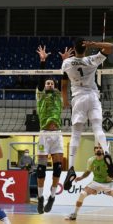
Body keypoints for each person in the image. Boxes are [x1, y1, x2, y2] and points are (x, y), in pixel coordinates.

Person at [60, 38, 113, 190]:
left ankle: (71, 168)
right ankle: (106, 152)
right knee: (98, 128)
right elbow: (111, 46)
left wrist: (65, 101)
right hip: (93, 97)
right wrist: (94, 44)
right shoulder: (92, 59)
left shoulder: (66, 63)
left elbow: (63, 86)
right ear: (85, 48)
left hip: (78, 98)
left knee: (76, 134)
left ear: (74, 48)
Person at [65, 145, 113, 223]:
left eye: (100, 148)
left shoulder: (107, 160)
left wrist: (111, 178)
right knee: (82, 194)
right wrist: (81, 177)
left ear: (103, 150)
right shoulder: (91, 160)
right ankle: (74, 214)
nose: (98, 149)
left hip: (108, 184)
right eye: (97, 148)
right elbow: (88, 171)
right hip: (95, 183)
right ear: (94, 150)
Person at [34, 45, 65, 214]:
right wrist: (43, 61)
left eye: (51, 83)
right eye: (47, 82)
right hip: (44, 134)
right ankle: (40, 198)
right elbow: (40, 79)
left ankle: (52, 197)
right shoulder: (40, 95)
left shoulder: (58, 95)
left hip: (57, 133)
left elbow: (63, 80)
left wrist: (64, 62)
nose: (49, 84)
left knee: (58, 168)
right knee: (41, 168)